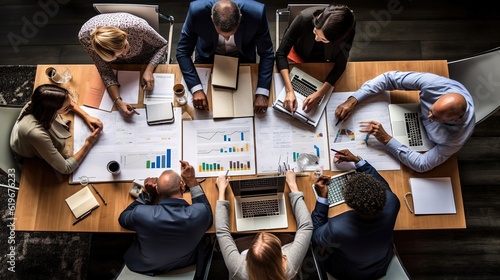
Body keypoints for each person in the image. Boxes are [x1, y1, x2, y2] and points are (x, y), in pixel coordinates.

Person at [335, 71, 475, 172]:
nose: (428, 116)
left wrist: (386, 139)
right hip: (409, 112)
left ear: (455, 119)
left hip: (424, 141)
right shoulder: (437, 85)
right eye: (431, 110)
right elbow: (388, 78)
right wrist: (353, 100)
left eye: (436, 118)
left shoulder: (455, 139)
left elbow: (422, 165)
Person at [312, 149, 400, 279]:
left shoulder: (337, 227)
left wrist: (323, 198)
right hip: (381, 264)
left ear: (350, 204)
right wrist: (358, 161)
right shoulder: (393, 202)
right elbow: (384, 187)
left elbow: (315, 236)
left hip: (349, 272)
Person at [176, 0, 274, 114]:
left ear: (240, 17)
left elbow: (267, 53)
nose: (227, 39)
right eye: (222, 34)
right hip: (208, 56)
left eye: (231, 34)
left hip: (242, 57)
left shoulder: (257, 13)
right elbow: (182, 51)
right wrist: (196, 89)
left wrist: (262, 92)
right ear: (212, 18)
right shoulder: (196, 11)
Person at [118, 160, 213, 275]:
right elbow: (206, 211)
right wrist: (192, 181)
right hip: (184, 264)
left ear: (157, 190)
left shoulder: (141, 214)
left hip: (145, 265)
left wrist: (147, 195)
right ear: (182, 187)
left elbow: (123, 219)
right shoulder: (199, 214)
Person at [214, 170, 313, 280]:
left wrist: (222, 190)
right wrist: (293, 185)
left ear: (248, 259)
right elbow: (306, 226)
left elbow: (222, 232)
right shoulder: (290, 265)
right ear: (280, 257)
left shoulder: (238, 268)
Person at [79, 12, 168, 117]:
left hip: (147, 57)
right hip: (120, 67)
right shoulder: (85, 39)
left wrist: (149, 69)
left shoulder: (138, 27)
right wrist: (117, 101)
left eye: (125, 48)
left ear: (124, 36)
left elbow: (163, 44)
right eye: (117, 56)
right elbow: (105, 70)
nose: (125, 54)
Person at [276, 4, 356, 113]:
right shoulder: (304, 18)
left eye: (323, 39)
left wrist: (319, 94)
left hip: (326, 61)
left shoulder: (348, 29)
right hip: (299, 54)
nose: (317, 39)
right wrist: (289, 91)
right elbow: (281, 53)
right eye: (315, 32)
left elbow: (340, 65)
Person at [10, 84, 103, 175]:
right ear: (52, 111)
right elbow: (66, 168)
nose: (71, 107)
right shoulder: (36, 134)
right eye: (67, 108)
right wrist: (89, 143)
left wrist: (86, 116)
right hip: (26, 154)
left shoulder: (40, 103)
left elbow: (66, 102)